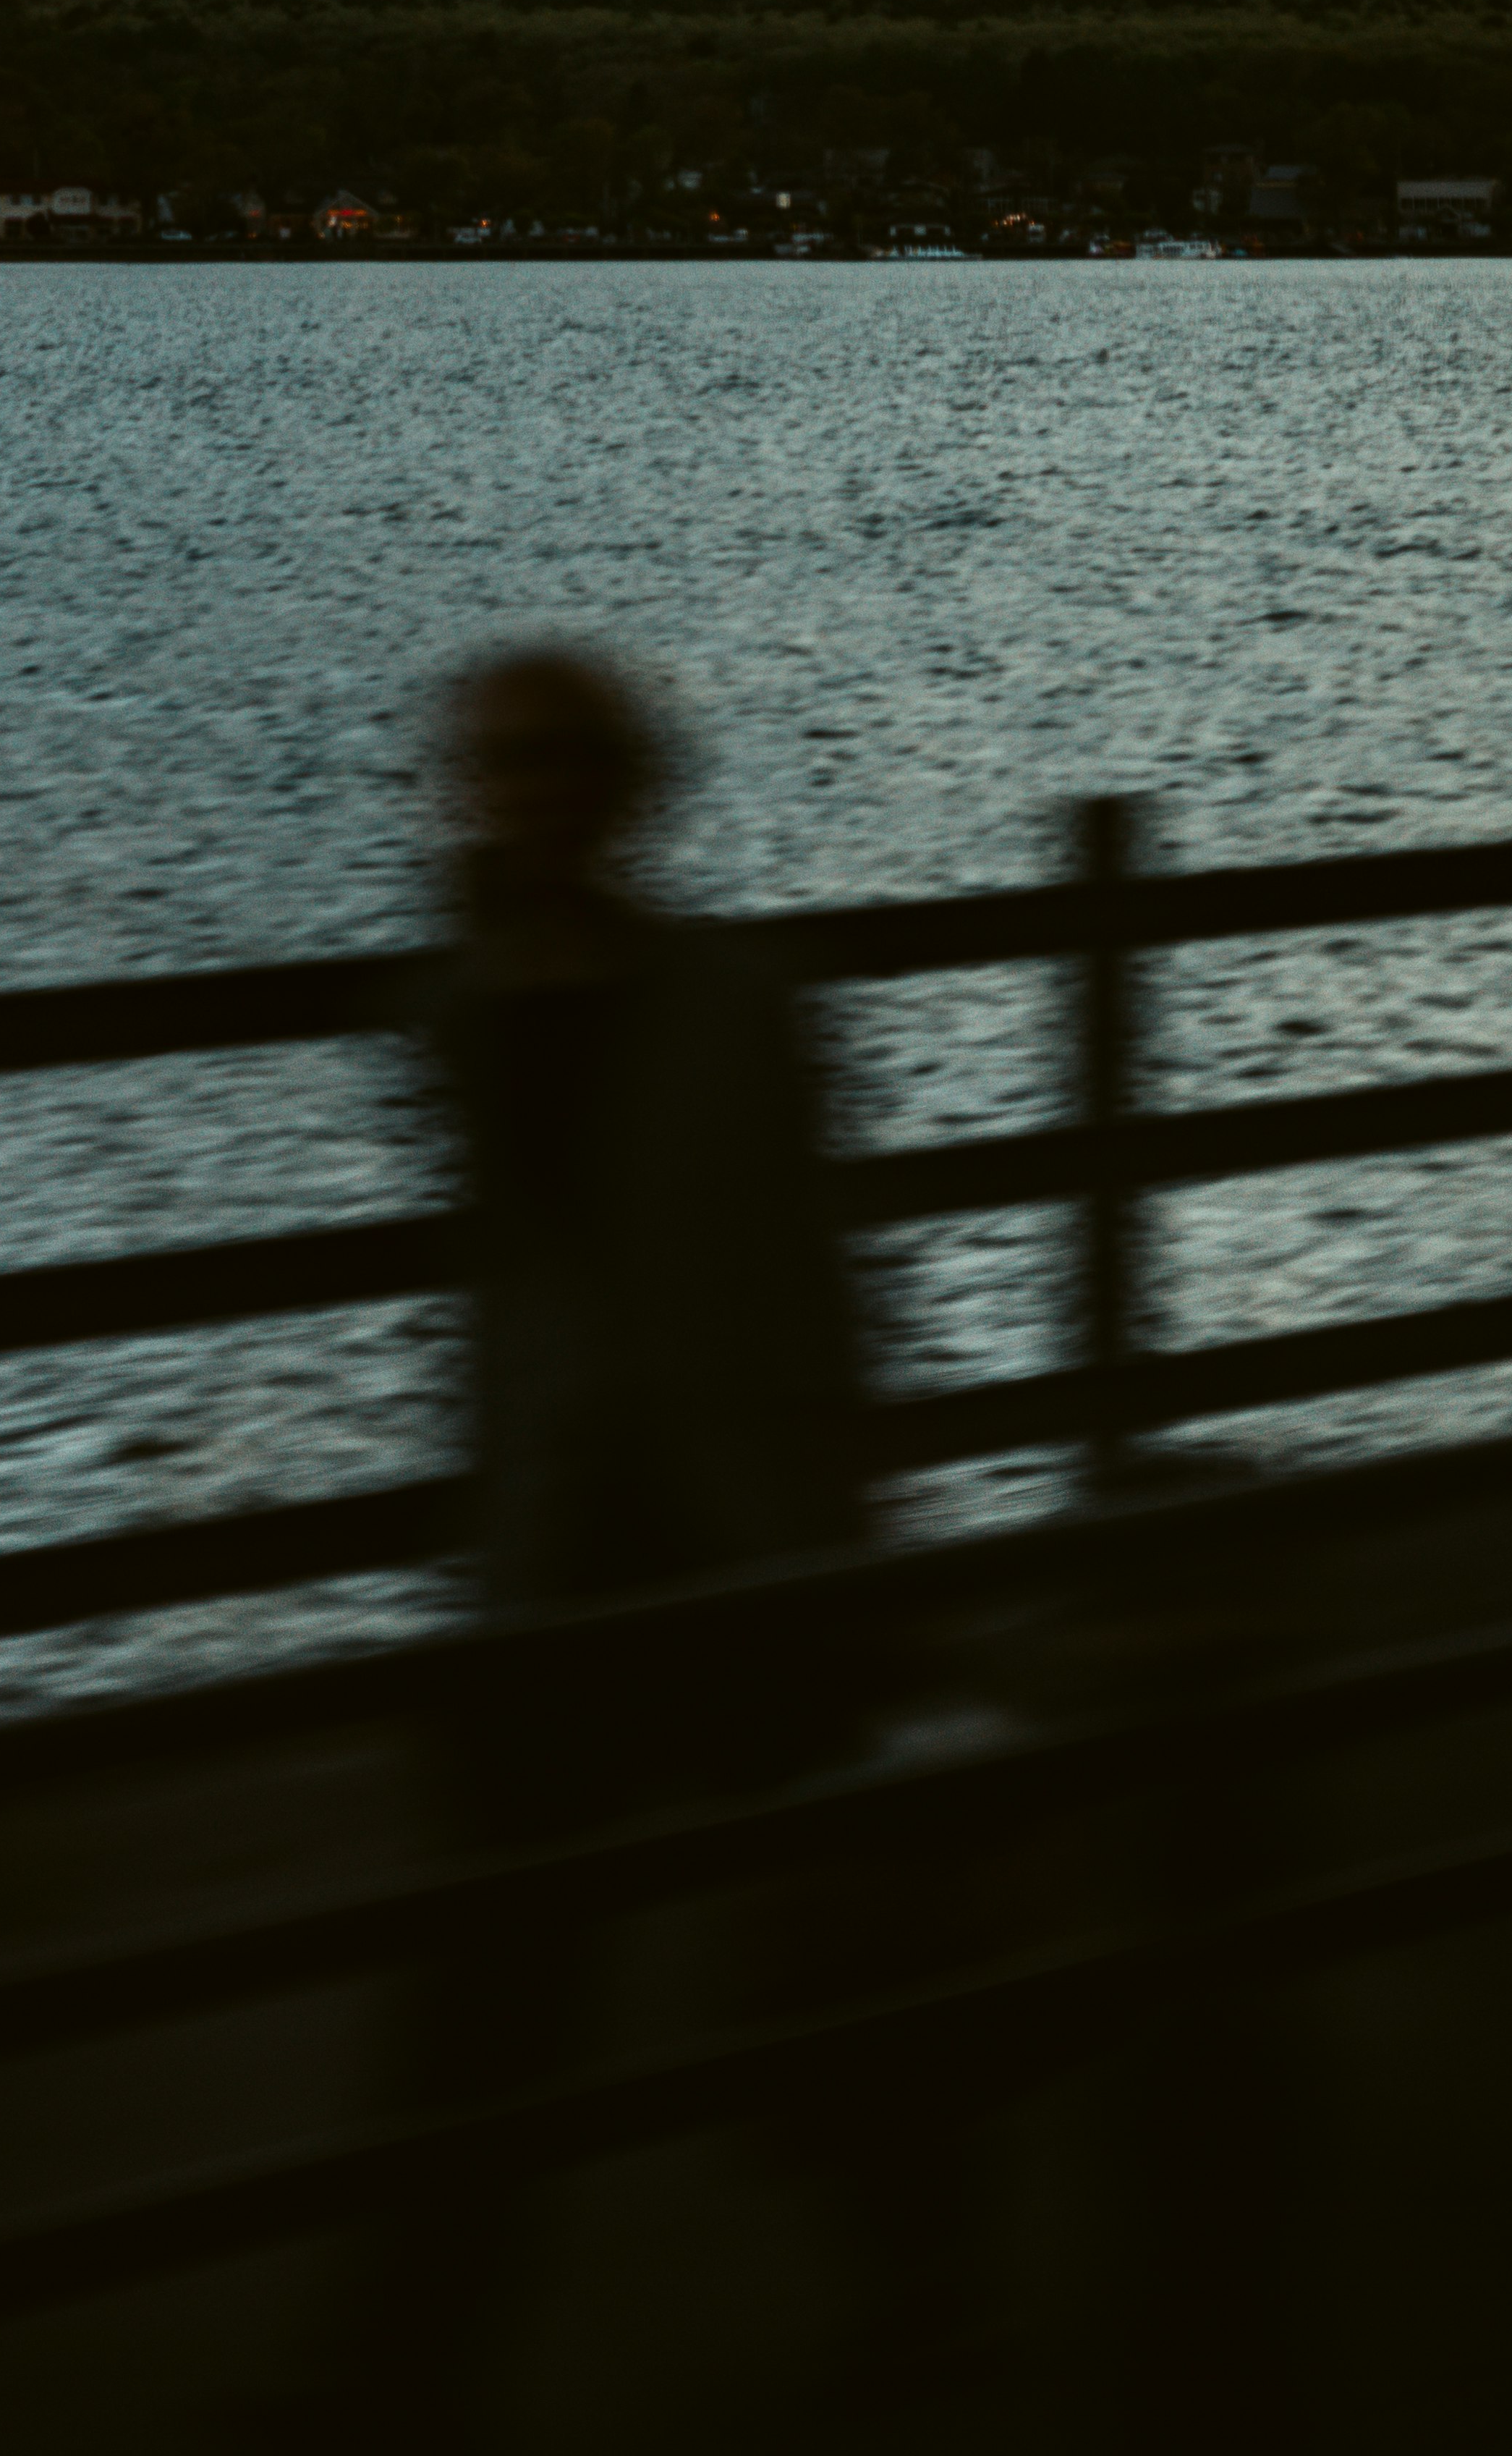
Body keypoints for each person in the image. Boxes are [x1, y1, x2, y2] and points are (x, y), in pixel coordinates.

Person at [327, 646, 907, 2442]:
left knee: (818, 1962)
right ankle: (407, 2370)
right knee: (493, 1989)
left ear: (633, 779)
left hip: (734, 1546)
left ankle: (911, 2301)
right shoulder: (467, 1007)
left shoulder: (741, 1004)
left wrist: (858, 1549)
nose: (531, 785)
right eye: (498, 761)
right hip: (555, 1559)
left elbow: (827, 1289)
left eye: (565, 756)